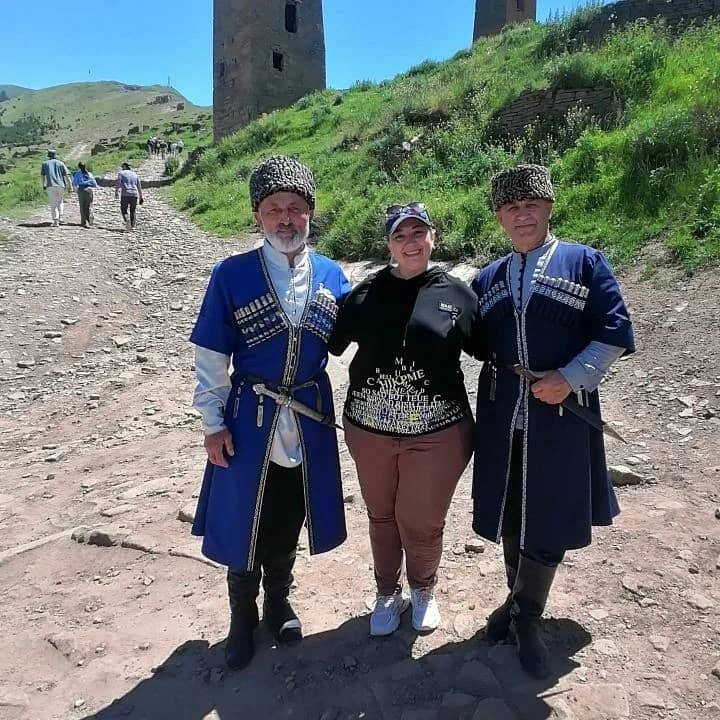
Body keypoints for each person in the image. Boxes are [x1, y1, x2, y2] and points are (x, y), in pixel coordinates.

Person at [470, 164, 635, 678]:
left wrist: (570, 377)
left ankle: (527, 618)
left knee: (550, 512)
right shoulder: (486, 279)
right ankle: (516, 600)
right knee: (510, 511)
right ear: (499, 217)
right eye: (511, 208)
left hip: (562, 414)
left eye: (531, 205)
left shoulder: (584, 263)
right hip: (502, 415)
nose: (522, 215)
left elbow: (614, 331)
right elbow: (468, 338)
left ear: (548, 207)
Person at [190, 155, 351, 671]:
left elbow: (363, 335)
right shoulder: (231, 274)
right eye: (274, 208)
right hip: (248, 417)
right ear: (258, 215)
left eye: (295, 207)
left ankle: (279, 602)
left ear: (310, 213)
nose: (286, 218)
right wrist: (213, 423)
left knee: (290, 512)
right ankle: (242, 617)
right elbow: (211, 356)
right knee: (245, 516)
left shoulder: (332, 275)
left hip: (308, 416)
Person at [329, 203, 479, 637]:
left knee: (423, 519)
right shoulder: (363, 295)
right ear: (389, 244)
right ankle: (386, 592)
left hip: (439, 435)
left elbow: (493, 350)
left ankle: (423, 588)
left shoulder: (458, 295)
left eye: (418, 233)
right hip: (370, 432)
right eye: (400, 235)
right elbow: (330, 344)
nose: (410, 243)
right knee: (381, 515)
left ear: (433, 237)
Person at [40, 148, 71, 227]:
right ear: (55, 155)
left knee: (53, 203)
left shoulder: (45, 164)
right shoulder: (61, 163)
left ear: (48, 155)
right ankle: (60, 218)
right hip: (61, 185)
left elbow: (42, 176)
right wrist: (69, 186)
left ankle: (55, 220)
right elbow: (67, 176)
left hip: (50, 185)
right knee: (60, 201)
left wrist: (43, 185)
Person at [115, 162, 144, 231]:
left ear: (125, 167)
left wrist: (116, 192)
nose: (122, 168)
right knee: (133, 210)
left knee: (123, 209)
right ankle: (132, 226)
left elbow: (118, 182)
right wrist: (141, 196)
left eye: (122, 167)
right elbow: (139, 186)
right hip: (134, 194)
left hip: (125, 194)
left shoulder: (121, 173)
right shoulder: (135, 174)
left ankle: (127, 219)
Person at [71, 162, 98, 228]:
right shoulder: (89, 174)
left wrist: (75, 190)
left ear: (79, 167)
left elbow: (74, 183)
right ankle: (90, 219)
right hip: (89, 190)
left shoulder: (77, 174)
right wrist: (89, 183)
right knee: (89, 206)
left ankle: (84, 222)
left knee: (82, 207)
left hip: (81, 190)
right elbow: (95, 184)